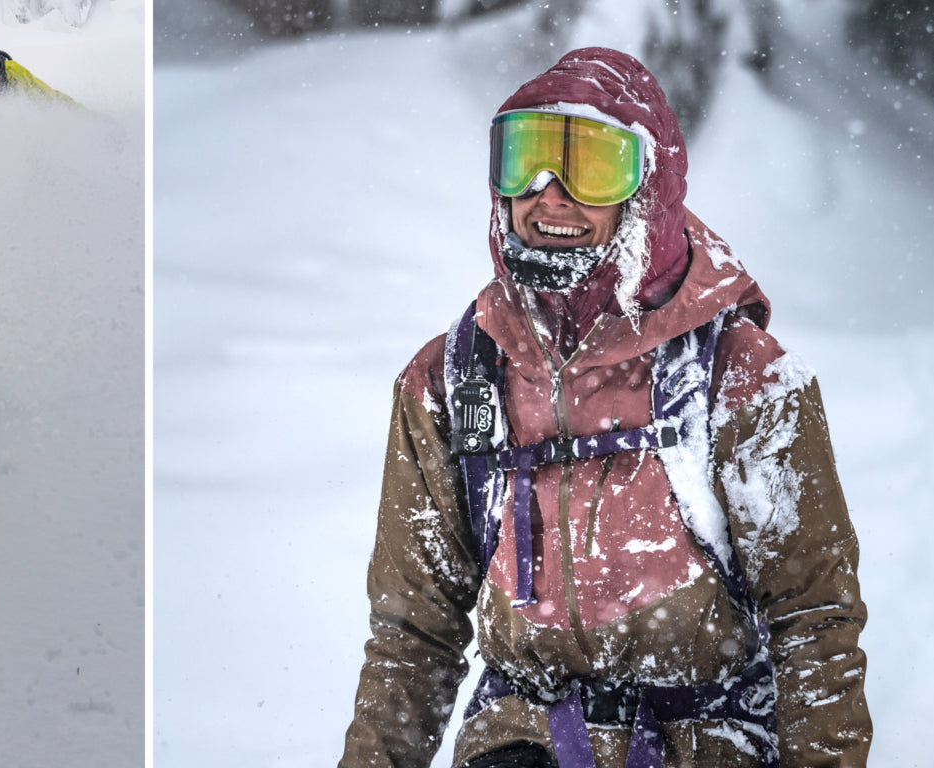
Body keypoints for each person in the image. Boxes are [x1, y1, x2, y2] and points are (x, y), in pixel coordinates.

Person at [339, 48, 870, 768]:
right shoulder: (452, 381)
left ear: (647, 189)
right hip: (522, 740)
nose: (548, 193)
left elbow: (813, 620)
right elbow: (413, 633)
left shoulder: (744, 380)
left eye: (589, 166)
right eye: (524, 158)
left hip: (707, 741)